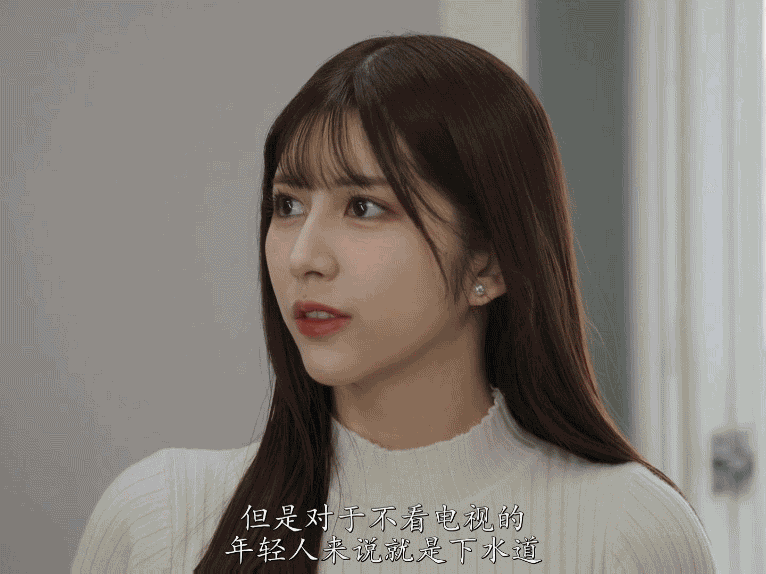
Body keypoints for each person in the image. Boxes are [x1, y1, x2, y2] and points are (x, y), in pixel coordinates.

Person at [72, 33, 717, 573]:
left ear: (489, 262)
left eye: (364, 207)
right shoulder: (160, 520)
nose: (304, 256)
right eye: (288, 205)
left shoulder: (624, 531)